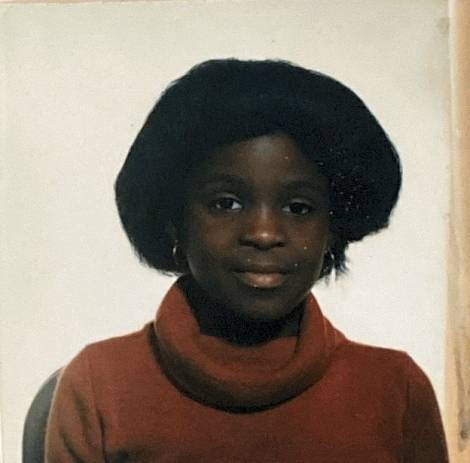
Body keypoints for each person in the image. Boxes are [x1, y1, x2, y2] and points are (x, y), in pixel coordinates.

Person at [45, 59, 448, 462]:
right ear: (174, 221)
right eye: (226, 203)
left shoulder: (396, 392)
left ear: (333, 229)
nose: (264, 233)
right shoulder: (101, 388)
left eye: (299, 208)